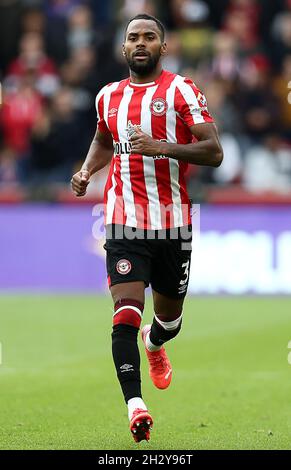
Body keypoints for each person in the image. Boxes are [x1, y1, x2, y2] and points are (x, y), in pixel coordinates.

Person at [71, 13, 223, 443]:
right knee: (124, 312)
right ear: (124, 48)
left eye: (149, 37)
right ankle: (135, 406)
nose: (141, 43)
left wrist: (162, 147)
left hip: (173, 223)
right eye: (133, 37)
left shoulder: (182, 90)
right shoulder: (108, 96)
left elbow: (214, 151)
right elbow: (103, 139)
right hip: (122, 220)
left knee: (169, 321)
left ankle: (155, 345)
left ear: (163, 46)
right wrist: (86, 171)